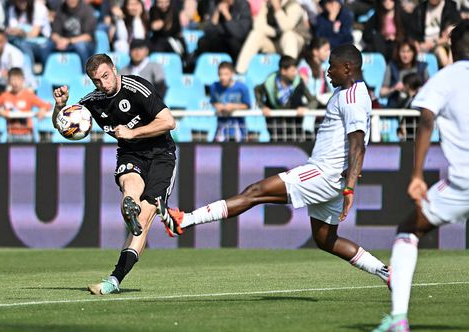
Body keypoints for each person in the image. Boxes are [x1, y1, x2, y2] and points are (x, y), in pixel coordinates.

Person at [158, 44, 391, 288]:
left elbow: (357, 144)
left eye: (332, 66)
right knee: (325, 239)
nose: (327, 71)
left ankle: (184, 220)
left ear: (347, 67)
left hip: (325, 173)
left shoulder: (352, 96)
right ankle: (385, 272)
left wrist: (350, 188)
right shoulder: (348, 93)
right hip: (333, 177)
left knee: (255, 192)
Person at [373, 20, 469, 332]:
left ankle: (398, 320)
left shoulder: (444, 78)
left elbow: (425, 120)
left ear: (450, 47)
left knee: (408, 229)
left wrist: (417, 174)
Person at [52, 54, 177, 295]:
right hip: (130, 154)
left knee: (144, 219)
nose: (103, 84)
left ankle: (115, 278)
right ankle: (129, 203)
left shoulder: (137, 87)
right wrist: (60, 107)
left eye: (106, 76)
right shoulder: (94, 101)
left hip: (162, 155)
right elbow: (64, 126)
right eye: (96, 81)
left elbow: (169, 121)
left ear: (114, 69)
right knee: (130, 186)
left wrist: (133, 132)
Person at [235, 0, 310, 74]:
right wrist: (276, 32)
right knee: (255, 34)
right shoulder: (267, 5)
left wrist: (277, 9)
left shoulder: (293, 5)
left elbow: (287, 27)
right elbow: (258, 26)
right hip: (276, 42)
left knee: (288, 35)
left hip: (296, 43)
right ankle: (240, 72)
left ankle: (289, 71)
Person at [255, 55, 317, 141]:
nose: (296, 73)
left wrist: (306, 108)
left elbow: (313, 101)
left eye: (296, 70)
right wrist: (262, 107)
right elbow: (257, 91)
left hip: (294, 130)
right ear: (283, 71)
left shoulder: (299, 83)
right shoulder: (269, 83)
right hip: (275, 130)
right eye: (293, 70)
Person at [0, 67, 51, 142]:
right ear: (9, 81)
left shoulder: (28, 95)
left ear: (23, 80)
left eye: (18, 79)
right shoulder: (5, 96)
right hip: (11, 135)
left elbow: (47, 105)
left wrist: (43, 109)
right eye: (13, 79)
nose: (16, 82)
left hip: (27, 134)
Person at [191, 0, 252, 64]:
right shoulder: (215, 3)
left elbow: (240, 34)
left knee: (233, 43)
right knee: (203, 42)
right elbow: (208, 32)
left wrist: (227, 15)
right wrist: (216, 14)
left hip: (236, 44)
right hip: (220, 41)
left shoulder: (243, 5)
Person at [380, 39, 429, 108]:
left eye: (408, 51)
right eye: (403, 52)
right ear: (398, 53)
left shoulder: (422, 67)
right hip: (396, 107)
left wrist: (419, 90)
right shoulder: (392, 66)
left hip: (418, 106)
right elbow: (382, 93)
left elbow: (430, 89)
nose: (405, 55)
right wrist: (394, 88)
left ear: (414, 53)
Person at [210, 61, 251, 142]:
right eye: (220, 74)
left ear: (232, 74)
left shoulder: (242, 88)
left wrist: (233, 107)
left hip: (238, 126)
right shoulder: (214, 86)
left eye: (226, 74)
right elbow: (213, 101)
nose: (222, 77)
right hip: (222, 126)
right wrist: (218, 106)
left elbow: (247, 105)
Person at [50, 0, 97, 69]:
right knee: (46, 46)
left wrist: (69, 41)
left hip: (84, 44)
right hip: (64, 43)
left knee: (80, 46)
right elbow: (54, 33)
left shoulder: (87, 9)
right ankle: (50, 72)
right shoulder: (60, 9)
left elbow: (88, 36)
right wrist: (59, 40)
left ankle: (86, 72)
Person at [5, 0, 53, 68]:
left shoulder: (39, 8)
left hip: (42, 43)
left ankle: (29, 71)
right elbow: (13, 30)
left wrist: (21, 32)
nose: (21, 2)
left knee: (24, 45)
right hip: (21, 41)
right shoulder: (12, 9)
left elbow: (34, 34)